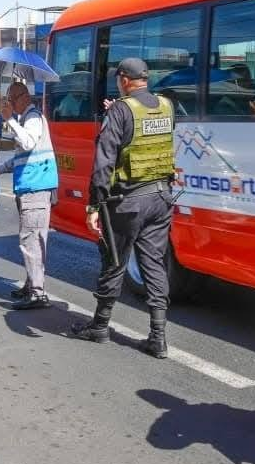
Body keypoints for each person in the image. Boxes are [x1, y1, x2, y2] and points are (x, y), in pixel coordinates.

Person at [69, 57, 176, 359]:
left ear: (124, 80)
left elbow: (103, 165)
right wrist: (114, 114)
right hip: (161, 197)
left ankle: (100, 326)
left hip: (128, 202)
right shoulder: (166, 106)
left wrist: (93, 205)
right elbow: (147, 137)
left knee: (114, 261)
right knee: (154, 264)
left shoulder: (120, 110)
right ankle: (158, 337)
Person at [0, 83, 58, 310]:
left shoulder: (32, 118)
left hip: (36, 187)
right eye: (7, 99)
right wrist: (0, 169)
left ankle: (37, 293)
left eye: (11, 99)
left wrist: (9, 119)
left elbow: (28, 142)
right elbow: (23, 157)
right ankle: (31, 284)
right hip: (30, 186)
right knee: (32, 239)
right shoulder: (26, 119)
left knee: (31, 240)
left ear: (24, 97)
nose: (9, 103)